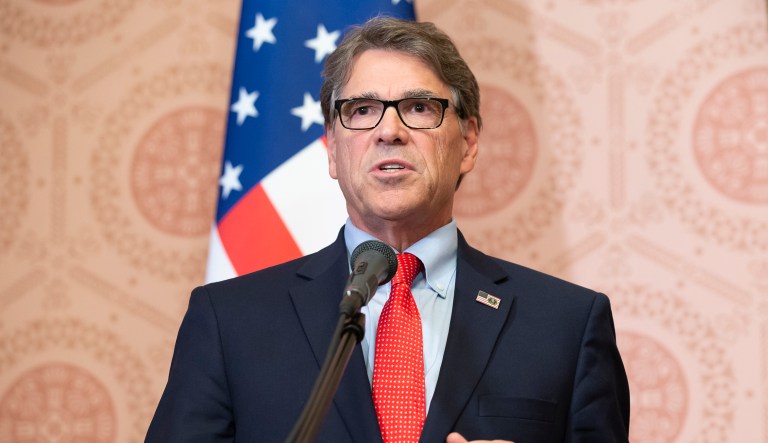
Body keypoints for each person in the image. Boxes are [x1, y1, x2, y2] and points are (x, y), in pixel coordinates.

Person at [145, 17, 630, 443]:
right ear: (332, 150)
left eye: (419, 107)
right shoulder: (228, 323)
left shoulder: (566, 326)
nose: (388, 131)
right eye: (361, 110)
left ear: (468, 141)